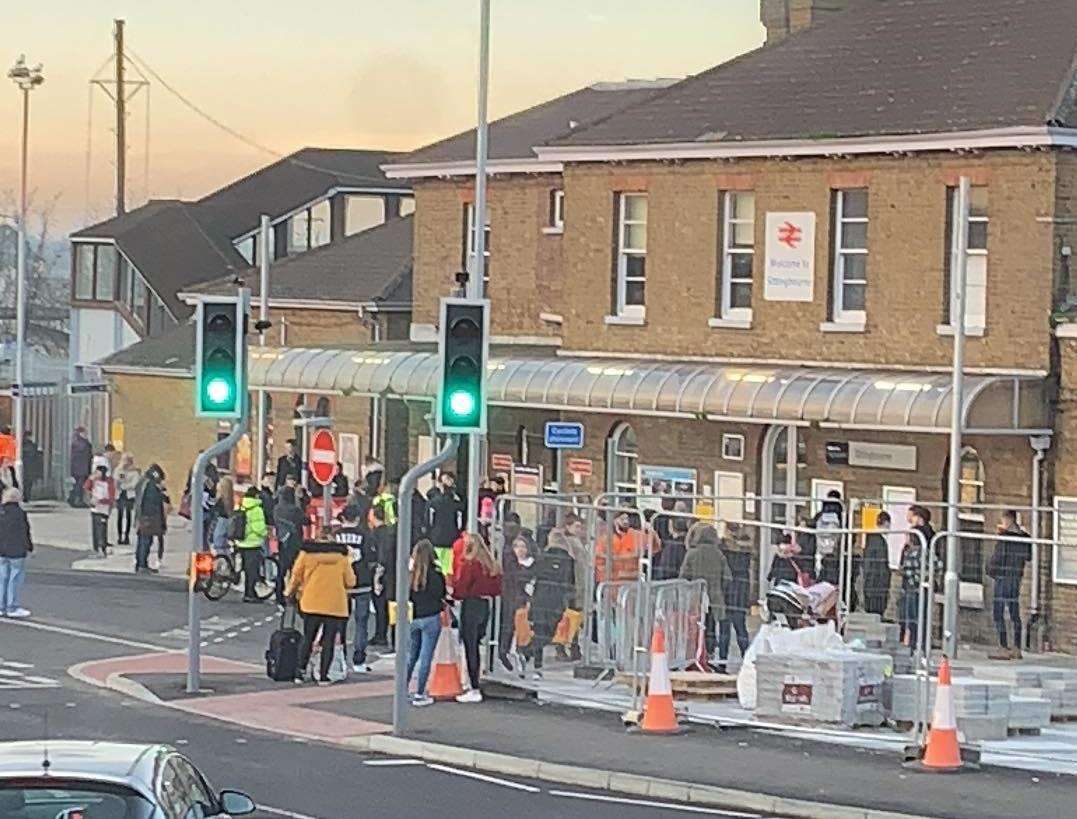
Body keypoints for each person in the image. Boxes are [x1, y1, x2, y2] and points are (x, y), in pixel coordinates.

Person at [285, 534, 356, 685]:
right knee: (328, 640)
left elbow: (296, 575)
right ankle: (323, 676)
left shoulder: (306, 555)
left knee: (308, 637)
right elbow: (350, 581)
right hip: (335, 605)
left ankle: (300, 672)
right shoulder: (342, 557)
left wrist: (289, 592)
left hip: (311, 602)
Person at [452, 532, 502, 702]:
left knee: (469, 646)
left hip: (471, 604)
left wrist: (454, 593)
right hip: (485, 605)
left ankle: (473, 686)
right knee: (477, 643)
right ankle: (474, 682)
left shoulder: (470, 564)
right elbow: (496, 589)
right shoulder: (490, 564)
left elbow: (462, 587)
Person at [679, 522, 733, 664]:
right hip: (715, 596)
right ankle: (711, 654)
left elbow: (684, 576)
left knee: (697, 627)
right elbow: (728, 577)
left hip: (696, 597)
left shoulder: (691, 554)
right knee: (712, 626)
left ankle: (697, 655)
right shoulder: (719, 554)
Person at [335, 504, 377, 671]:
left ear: (343, 518)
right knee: (361, 623)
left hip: (341, 583)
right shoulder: (366, 535)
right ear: (358, 519)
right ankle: (359, 660)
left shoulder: (335, 536)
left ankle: (341, 658)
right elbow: (372, 557)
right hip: (362, 582)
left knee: (340, 623)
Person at [528, 529, 575, 678]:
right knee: (549, 632)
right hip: (557, 600)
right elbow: (570, 581)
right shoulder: (569, 559)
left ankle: (534, 658)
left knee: (539, 630)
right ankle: (534, 657)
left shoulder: (543, 556)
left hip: (540, 598)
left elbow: (533, 574)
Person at [406, 539, 447, 706]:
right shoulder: (436, 573)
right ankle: (420, 692)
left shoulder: (410, 575)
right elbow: (441, 593)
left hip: (413, 617)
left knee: (411, 656)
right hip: (431, 616)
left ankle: (402, 689)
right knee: (426, 657)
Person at [987, 510, 1031, 660]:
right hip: (1016, 578)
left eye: (1003, 520)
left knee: (998, 613)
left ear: (1008, 520)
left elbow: (998, 557)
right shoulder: (1024, 538)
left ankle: (1003, 646)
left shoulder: (1004, 538)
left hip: (1002, 577)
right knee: (1014, 613)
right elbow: (1028, 557)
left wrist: (990, 570)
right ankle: (1017, 647)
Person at [899, 505, 936, 651]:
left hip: (913, 580)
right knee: (922, 613)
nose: (909, 519)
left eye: (911, 516)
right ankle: (921, 641)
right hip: (924, 579)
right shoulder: (931, 534)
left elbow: (910, 557)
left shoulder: (918, 534)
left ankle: (913, 642)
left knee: (912, 613)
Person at [499, 532, 537, 672]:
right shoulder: (510, 565)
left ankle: (524, 653)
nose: (520, 550)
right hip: (511, 600)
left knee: (524, 630)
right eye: (517, 546)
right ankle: (505, 651)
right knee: (508, 627)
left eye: (523, 546)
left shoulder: (532, 564)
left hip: (525, 601)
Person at [718, 522, 752, 674]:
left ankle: (722, 662)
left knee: (725, 630)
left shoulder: (724, 551)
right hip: (740, 594)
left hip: (726, 594)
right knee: (741, 629)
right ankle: (747, 658)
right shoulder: (745, 552)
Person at [0, 488, 33, 618]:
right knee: (15, 578)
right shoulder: (20, 513)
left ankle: (1, 606)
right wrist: (29, 547)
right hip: (16, 550)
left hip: (1, 550)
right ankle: (12, 606)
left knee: (2, 578)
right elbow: (25, 532)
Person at [274, 486, 308, 607]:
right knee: (295, 570)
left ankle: (278, 594)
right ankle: (293, 596)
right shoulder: (295, 510)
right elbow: (306, 521)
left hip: (282, 541)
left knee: (281, 570)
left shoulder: (277, 509)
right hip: (295, 542)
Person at [369, 504, 396, 647]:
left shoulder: (374, 534)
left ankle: (381, 635)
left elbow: (379, 556)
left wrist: (377, 576)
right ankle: (393, 636)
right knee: (390, 606)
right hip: (392, 574)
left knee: (380, 607)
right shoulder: (390, 532)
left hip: (380, 573)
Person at [427, 472, 465, 575]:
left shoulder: (432, 502)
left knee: (436, 565)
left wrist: (429, 533)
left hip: (435, 538)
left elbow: (428, 521)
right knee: (448, 568)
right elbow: (460, 523)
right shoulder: (457, 503)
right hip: (451, 538)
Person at [236, 487, 269, 602]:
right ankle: (250, 594)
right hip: (253, 543)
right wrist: (265, 533)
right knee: (252, 571)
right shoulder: (257, 509)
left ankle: (248, 592)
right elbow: (258, 528)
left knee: (247, 569)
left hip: (241, 542)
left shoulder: (242, 505)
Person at [134, 465, 167, 573]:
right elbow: (154, 504)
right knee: (145, 541)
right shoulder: (151, 486)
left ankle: (140, 563)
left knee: (143, 540)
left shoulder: (143, 482)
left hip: (143, 516)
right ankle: (142, 564)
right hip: (149, 518)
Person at [862, 511, 893, 617]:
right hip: (877, 583)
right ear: (885, 523)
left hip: (872, 583)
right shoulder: (879, 541)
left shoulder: (871, 539)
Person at [84, 465, 116, 556]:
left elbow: (111, 497)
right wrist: (90, 479)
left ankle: (102, 548)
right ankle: (96, 549)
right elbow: (86, 487)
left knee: (102, 530)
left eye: (98, 472)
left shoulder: (109, 482)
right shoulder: (94, 481)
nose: (96, 474)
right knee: (95, 530)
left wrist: (101, 501)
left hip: (104, 509)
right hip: (95, 508)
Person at [114, 453, 140, 546]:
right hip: (120, 495)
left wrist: (125, 485)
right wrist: (122, 470)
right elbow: (118, 479)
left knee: (128, 515)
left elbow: (135, 484)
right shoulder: (119, 470)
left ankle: (126, 536)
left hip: (129, 495)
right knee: (120, 515)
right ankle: (120, 536)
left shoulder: (135, 472)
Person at [68, 427, 93, 507]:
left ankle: (74, 499)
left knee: (78, 485)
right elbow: (86, 455)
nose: (86, 435)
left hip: (78, 468)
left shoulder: (76, 442)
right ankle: (77, 500)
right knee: (80, 486)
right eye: (85, 433)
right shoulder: (82, 443)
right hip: (82, 468)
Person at [210, 476, 235, 554]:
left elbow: (215, 512)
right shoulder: (229, 499)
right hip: (227, 522)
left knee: (218, 545)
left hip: (220, 523)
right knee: (224, 546)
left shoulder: (220, 500)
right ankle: (227, 562)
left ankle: (221, 563)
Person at [20, 431, 42, 502]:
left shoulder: (26, 445)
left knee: (27, 482)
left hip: (28, 466)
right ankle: (26, 496)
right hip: (29, 466)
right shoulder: (31, 445)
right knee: (28, 483)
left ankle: (26, 496)